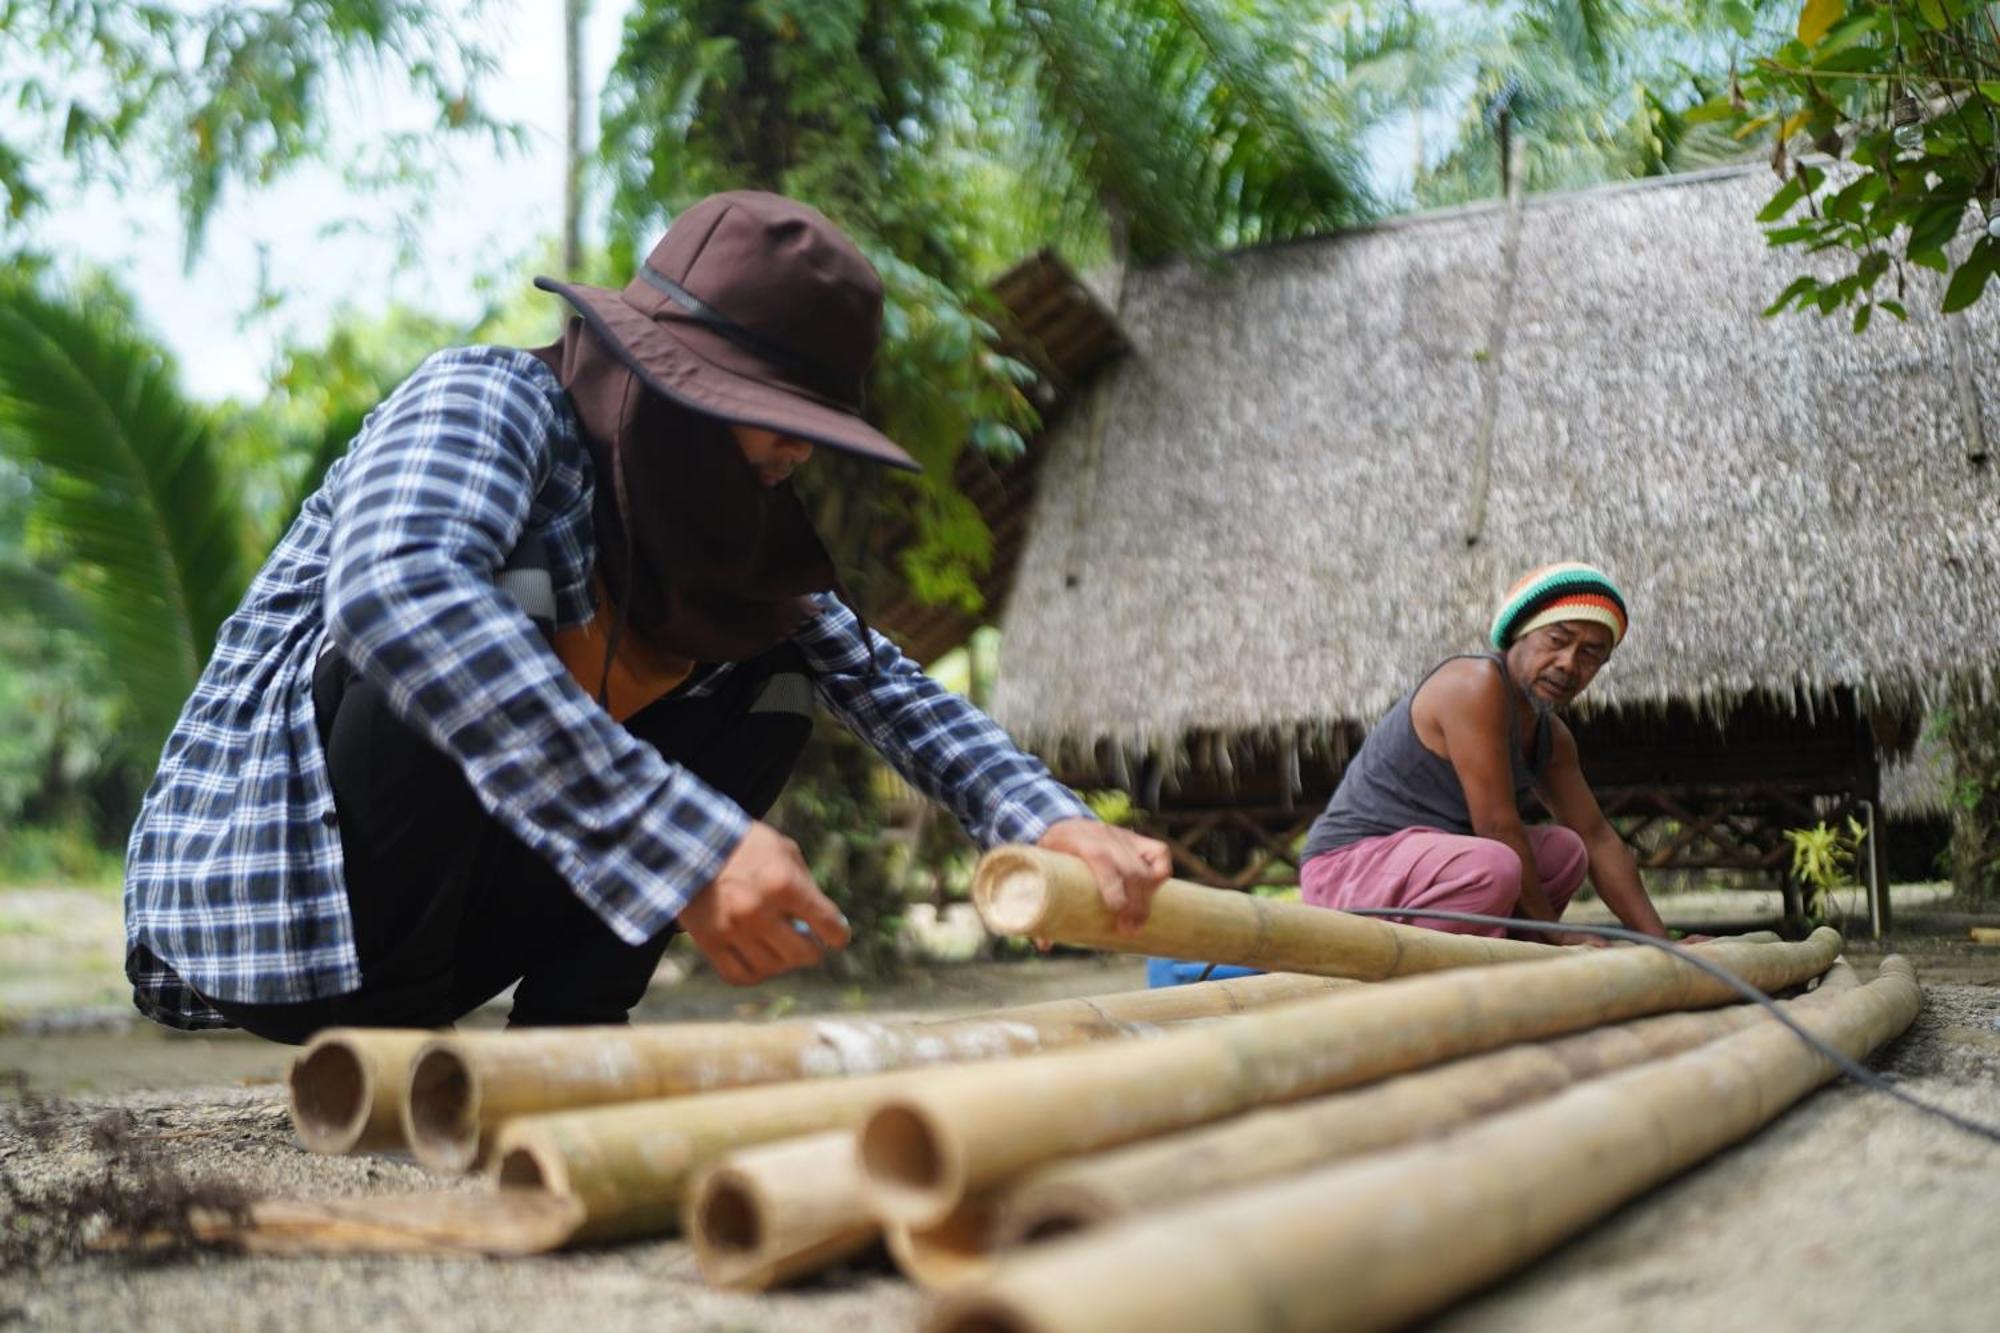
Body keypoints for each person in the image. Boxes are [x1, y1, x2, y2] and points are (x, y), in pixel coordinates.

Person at [122, 190, 1170, 1042]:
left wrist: (1043, 817)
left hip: (457, 928)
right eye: (770, 415)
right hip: (281, 913)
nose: (797, 450)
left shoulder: (733, 530)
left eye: (812, 423)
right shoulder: (484, 399)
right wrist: (689, 846)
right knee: (466, 612)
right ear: (671, 376)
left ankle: (572, 1036)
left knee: (779, 665)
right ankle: (389, 1050)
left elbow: (884, 682)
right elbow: (397, 593)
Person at [1297, 562, 1681, 945]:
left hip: (1434, 870)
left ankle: (1508, 959)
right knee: (1492, 865)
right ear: (1519, 635)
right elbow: (1496, 826)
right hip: (1346, 870)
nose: (1568, 663)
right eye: (1556, 639)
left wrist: (1664, 945)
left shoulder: (1552, 739)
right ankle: (1431, 987)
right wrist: (1559, 937)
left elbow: (1597, 838)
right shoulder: (1473, 685)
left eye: (1590, 654)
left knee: (1567, 852)